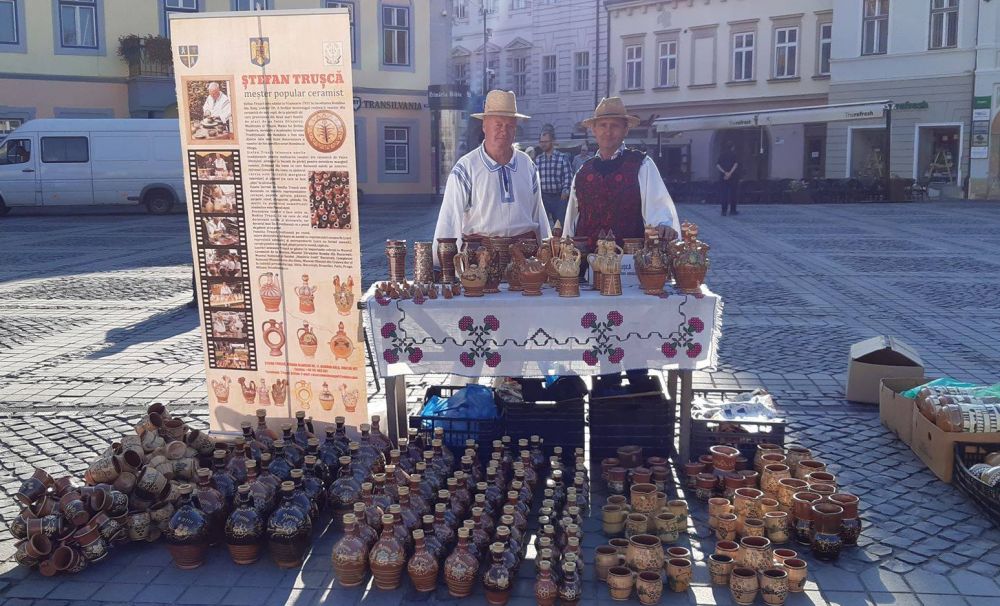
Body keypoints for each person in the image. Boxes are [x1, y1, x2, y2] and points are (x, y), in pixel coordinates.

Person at [433, 90, 552, 262]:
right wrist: (443, 267)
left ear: (515, 129)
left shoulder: (527, 165)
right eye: (498, 125)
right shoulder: (466, 168)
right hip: (481, 264)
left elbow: (538, 214)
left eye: (510, 126)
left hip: (525, 262)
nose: (504, 131)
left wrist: (547, 258)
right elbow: (449, 221)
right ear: (484, 126)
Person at [563, 97, 680, 246]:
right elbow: (571, 220)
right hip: (587, 258)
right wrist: (565, 247)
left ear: (625, 130)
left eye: (615, 126)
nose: (608, 131)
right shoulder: (583, 172)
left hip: (629, 257)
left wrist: (663, 226)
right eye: (603, 125)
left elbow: (659, 209)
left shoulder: (642, 165)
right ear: (594, 130)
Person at [536, 131, 574, 224]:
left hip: (559, 198)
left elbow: (568, 176)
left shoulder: (562, 157)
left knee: (560, 226)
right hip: (543, 198)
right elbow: (535, 179)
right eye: (541, 142)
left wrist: (565, 192)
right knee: (542, 226)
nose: (543, 144)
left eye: (546, 141)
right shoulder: (538, 160)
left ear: (552, 141)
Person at [716, 141, 740, 216]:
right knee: (733, 193)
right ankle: (733, 210)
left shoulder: (721, 155)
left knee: (724, 194)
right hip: (733, 177)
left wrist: (725, 172)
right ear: (732, 147)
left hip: (723, 177)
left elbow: (718, 165)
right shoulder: (734, 154)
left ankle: (724, 211)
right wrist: (730, 173)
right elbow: (736, 164)